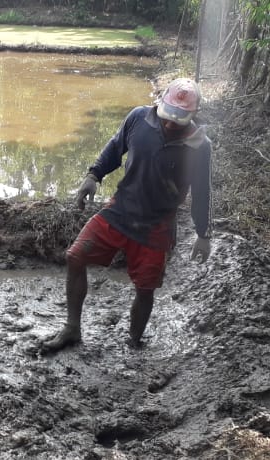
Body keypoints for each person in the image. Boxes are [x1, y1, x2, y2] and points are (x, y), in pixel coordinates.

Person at [42, 78, 213, 352]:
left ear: (193, 115)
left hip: (156, 226)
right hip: (120, 210)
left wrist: (203, 234)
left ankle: (133, 341)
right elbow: (115, 147)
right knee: (75, 256)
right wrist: (93, 174)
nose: (170, 125)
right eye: (168, 117)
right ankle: (72, 328)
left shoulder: (200, 147)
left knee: (145, 289)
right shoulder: (139, 118)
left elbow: (202, 192)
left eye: (178, 121)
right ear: (161, 104)